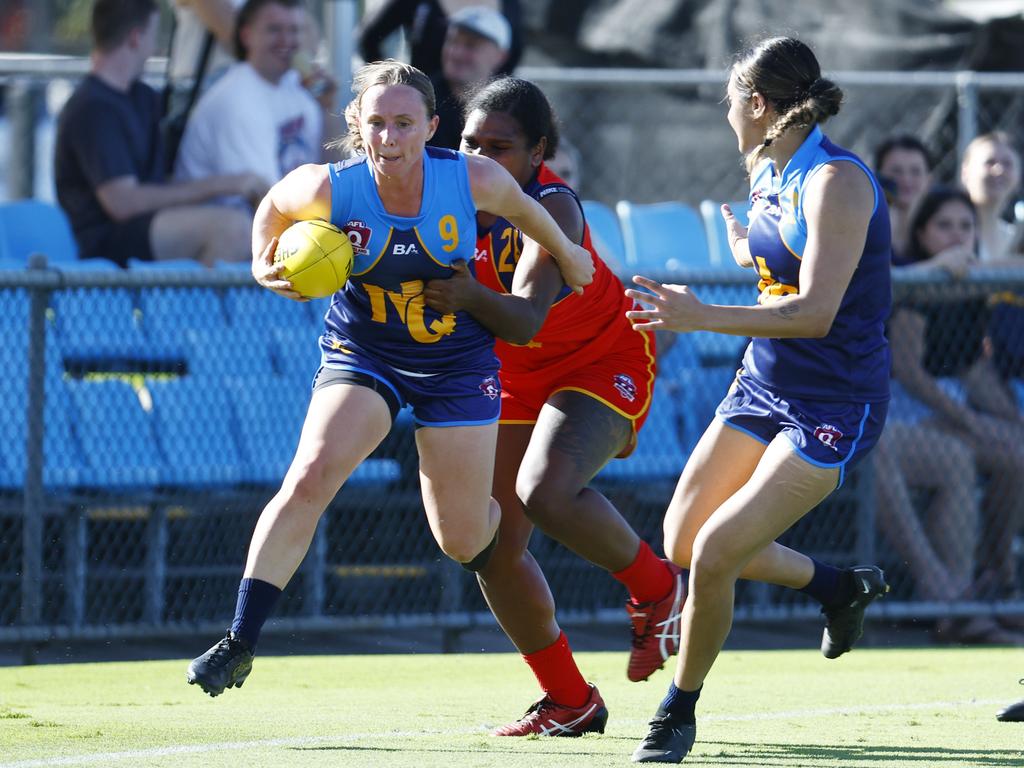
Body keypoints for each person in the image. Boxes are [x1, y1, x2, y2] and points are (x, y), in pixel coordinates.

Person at [184, 59, 595, 697]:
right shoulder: (329, 188)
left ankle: (500, 532)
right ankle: (240, 640)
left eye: (404, 123)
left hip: (456, 365)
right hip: (364, 354)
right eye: (375, 123)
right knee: (310, 475)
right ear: (356, 124)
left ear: (431, 126)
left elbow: (528, 209)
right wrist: (262, 265)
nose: (388, 138)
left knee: (461, 539)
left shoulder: (471, 179)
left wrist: (570, 256)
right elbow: (271, 206)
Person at [624, 37, 893, 763]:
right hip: (764, 383)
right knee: (682, 542)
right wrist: (746, 250)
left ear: (758, 105)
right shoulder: (767, 170)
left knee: (713, 555)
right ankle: (840, 587)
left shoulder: (836, 180)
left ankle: (677, 711)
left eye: (729, 102)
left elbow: (813, 313)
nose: (726, 115)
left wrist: (698, 313)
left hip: (834, 402)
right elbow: (780, 259)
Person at [421, 77, 682, 736]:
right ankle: (570, 700)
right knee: (492, 548)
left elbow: (525, 317)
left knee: (546, 490)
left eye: (500, 147)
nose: (480, 157)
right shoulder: (440, 192)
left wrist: (458, 294)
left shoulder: (552, 206)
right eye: (469, 142)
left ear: (539, 151)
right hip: (513, 372)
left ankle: (658, 588)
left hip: (600, 359)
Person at [889, 186, 1024, 608]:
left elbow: (972, 368)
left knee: (1018, 452)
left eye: (965, 226)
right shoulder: (915, 282)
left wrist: (1009, 418)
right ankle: (956, 600)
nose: (956, 235)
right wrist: (969, 420)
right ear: (923, 233)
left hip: (950, 409)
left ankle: (997, 573)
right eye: (943, 226)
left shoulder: (972, 288)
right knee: (966, 457)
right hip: (906, 411)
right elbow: (909, 373)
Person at [54, 0, 265, 266]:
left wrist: (236, 185)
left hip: (150, 225)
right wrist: (222, 184)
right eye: (152, 37)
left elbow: (159, 184)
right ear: (135, 38)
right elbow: (123, 204)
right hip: (106, 242)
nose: (153, 49)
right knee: (231, 229)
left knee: (246, 219)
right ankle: (197, 309)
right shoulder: (92, 107)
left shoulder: (142, 98)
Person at [174, 0, 337, 208]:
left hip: (290, 218)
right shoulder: (237, 101)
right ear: (246, 36)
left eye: (294, 30)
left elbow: (332, 175)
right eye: (274, 30)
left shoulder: (298, 87)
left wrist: (327, 109)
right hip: (237, 227)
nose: (286, 40)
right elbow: (269, 203)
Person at [358, 0, 523, 79]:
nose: (458, 52)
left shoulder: (510, 6)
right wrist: (396, 84)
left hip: (485, 109)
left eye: (471, 44)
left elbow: (514, 53)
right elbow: (369, 39)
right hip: (426, 107)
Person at [428, 6, 511, 150]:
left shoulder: (512, 110)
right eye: (452, 41)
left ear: (501, 56)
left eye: (470, 45)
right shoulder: (420, 101)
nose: (456, 53)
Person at [960, 131, 1022, 265]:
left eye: (1007, 164)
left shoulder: (1013, 236)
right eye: (989, 162)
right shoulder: (949, 230)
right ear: (965, 173)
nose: (999, 170)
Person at [873, 134, 933, 261]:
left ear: (929, 179)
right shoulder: (867, 228)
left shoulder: (942, 226)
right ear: (877, 176)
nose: (906, 180)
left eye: (915, 171)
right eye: (896, 171)